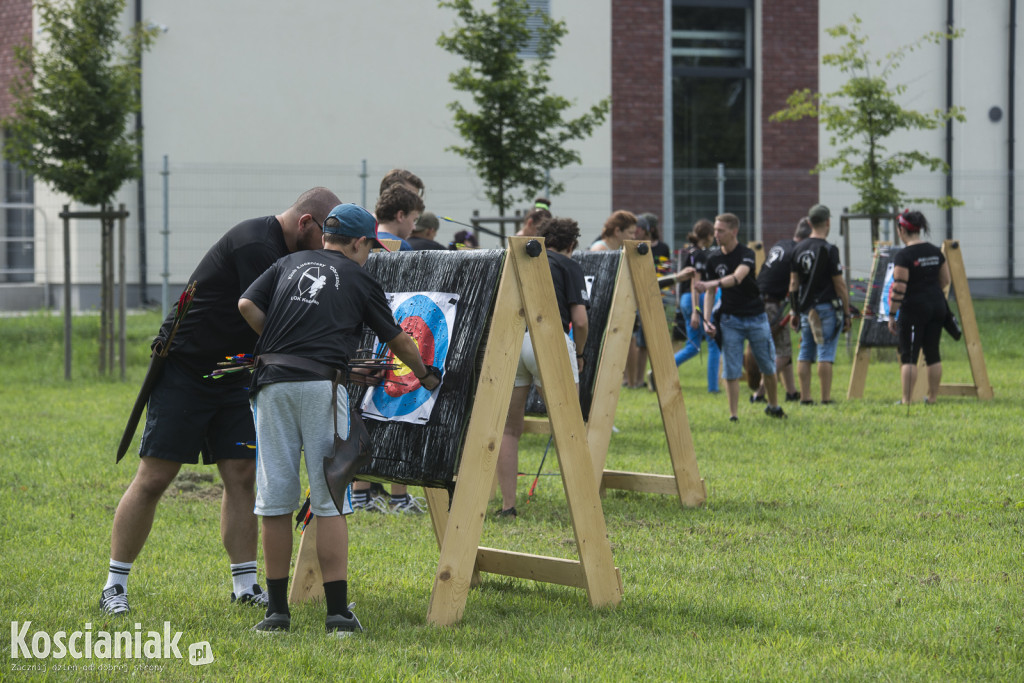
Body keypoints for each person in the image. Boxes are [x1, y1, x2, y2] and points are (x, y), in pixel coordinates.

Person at [99, 186, 341, 616]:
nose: (327, 246)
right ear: (306, 223)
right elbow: (278, 315)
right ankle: (114, 585)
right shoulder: (257, 245)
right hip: (186, 369)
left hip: (233, 372)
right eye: (325, 235)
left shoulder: (291, 251)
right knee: (155, 477)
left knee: (242, 474)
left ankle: (245, 584)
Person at [238, 203, 441, 634]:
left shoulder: (286, 263)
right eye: (370, 246)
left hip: (270, 383)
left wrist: (281, 342)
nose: (369, 253)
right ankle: (336, 615)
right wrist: (425, 376)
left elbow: (246, 305)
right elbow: (400, 340)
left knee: (275, 500)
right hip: (321, 389)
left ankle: (275, 614)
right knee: (331, 499)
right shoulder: (359, 277)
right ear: (357, 242)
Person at [496, 217, 589, 518]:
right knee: (569, 428)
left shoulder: (518, 259)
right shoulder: (568, 264)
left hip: (513, 341)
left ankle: (508, 505)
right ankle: (582, 508)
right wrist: (581, 353)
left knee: (509, 430)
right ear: (572, 244)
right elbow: (582, 321)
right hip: (551, 341)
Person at [695, 213, 785, 421]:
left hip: (756, 317)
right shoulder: (713, 259)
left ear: (734, 232)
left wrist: (712, 284)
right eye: (715, 230)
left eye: (721, 231)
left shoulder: (747, 254)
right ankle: (733, 415)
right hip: (729, 320)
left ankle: (773, 406)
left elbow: (737, 277)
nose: (716, 234)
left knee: (768, 366)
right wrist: (707, 320)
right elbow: (709, 294)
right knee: (731, 369)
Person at [788, 204, 852, 405]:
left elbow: (793, 283)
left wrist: (794, 310)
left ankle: (806, 398)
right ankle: (825, 398)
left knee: (805, 351)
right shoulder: (829, 249)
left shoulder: (797, 248)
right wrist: (847, 311)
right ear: (828, 222)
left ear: (808, 223)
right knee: (826, 352)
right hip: (827, 308)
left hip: (806, 309)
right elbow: (839, 284)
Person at [887, 210, 952, 405]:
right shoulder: (935, 251)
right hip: (937, 307)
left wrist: (892, 314)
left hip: (914, 310)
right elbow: (946, 280)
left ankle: (906, 400)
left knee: (909, 355)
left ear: (901, 230)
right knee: (933, 352)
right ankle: (932, 398)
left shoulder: (904, 255)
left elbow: (898, 288)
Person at [750, 217, 812, 403]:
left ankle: (791, 392)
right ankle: (759, 393)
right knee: (783, 353)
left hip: (757, 300)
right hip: (771, 304)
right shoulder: (798, 252)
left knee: (783, 349)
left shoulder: (782, 244)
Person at [666, 219, 721, 393]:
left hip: (683, 300)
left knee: (693, 346)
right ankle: (713, 387)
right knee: (713, 343)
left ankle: (662, 370)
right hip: (695, 300)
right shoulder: (699, 255)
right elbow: (695, 283)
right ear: (709, 236)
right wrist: (697, 312)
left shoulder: (685, 251)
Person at [374, 184, 423, 252]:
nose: (414, 227)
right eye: (414, 220)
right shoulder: (401, 246)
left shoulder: (367, 243)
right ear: (400, 216)